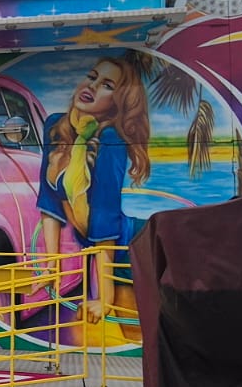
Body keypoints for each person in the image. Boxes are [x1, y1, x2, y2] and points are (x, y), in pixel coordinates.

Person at [32, 54, 152, 344]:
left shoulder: (110, 138)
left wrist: (104, 297)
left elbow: (105, 216)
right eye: (92, 77)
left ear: (117, 102)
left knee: (135, 333)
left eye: (107, 85)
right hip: (103, 244)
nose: (92, 86)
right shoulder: (55, 126)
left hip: (131, 245)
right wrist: (51, 267)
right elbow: (49, 202)